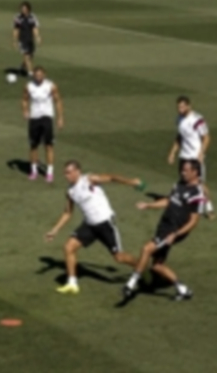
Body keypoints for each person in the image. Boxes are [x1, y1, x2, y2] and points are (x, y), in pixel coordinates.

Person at [44, 160, 142, 294]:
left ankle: (141, 267)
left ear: (77, 171)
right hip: (89, 225)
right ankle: (72, 283)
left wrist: (131, 182)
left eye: (68, 172)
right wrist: (54, 230)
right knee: (68, 247)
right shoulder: (70, 191)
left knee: (119, 257)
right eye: (65, 173)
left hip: (105, 223)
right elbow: (67, 212)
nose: (65, 175)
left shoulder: (89, 180)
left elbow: (112, 178)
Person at [123, 161, 204, 301]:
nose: (182, 172)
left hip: (173, 230)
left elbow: (193, 221)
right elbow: (168, 201)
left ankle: (131, 284)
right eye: (182, 170)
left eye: (186, 170)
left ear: (195, 172)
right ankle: (183, 290)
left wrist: (176, 234)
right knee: (157, 265)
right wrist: (149, 205)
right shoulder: (179, 184)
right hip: (164, 227)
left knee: (146, 249)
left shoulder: (197, 194)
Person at [167, 95, 213, 217]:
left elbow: (207, 137)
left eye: (182, 106)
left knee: (199, 183)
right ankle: (184, 203)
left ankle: (209, 208)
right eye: (178, 107)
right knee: (184, 180)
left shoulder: (197, 119)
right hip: (184, 156)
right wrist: (172, 152)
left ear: (189, 106)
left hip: (195, 157)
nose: (180, 109)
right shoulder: (179, 119)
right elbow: (180, 137)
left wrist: (201, 153)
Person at [22, 66, 63, 182]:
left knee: (48, 145)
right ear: (34, 75)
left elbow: (58, 101)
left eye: (41, 75)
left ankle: (49, 172)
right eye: (37, 75)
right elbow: (24, 99)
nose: (39, 77)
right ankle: (34, 170)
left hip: (47, 117)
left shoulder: (50, 86)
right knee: (33, 145)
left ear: (44, 75)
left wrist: (60, 117)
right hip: (34, 117)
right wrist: (25, 111)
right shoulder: (29, 86)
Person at [12, 1, 40, 77]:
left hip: (30, 39)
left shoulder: (32, 17)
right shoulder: (18, 18)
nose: (23, 10)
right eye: (22, 9)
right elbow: (16, 30)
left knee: (30, 56)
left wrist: (37, 37)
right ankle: (30, 73)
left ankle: (21, 67)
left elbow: (34, 28)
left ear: (28, 9)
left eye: (24, 9)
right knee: (27, 55)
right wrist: (15, 40)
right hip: (22, 40)